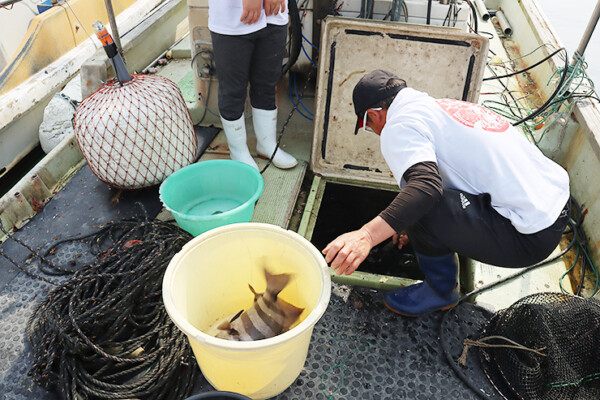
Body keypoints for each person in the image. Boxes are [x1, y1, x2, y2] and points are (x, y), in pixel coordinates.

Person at [322, 70, 570, 317]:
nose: (375, 132)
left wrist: (366, 236)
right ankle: (440, 247)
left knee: (423, 203)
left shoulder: (396, 126)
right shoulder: (441, 107)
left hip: (528, 236)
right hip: (555, 204)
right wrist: (405, 223)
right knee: (415, 204)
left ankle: (441, 292)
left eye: (368, 126)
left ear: (374, 114)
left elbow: (425, 189)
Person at [208, 0, 298, 170]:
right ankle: (239, 152)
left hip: (274, 14)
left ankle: (267, 145)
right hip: (232, 18)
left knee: (267, 85)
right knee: (232, 91)